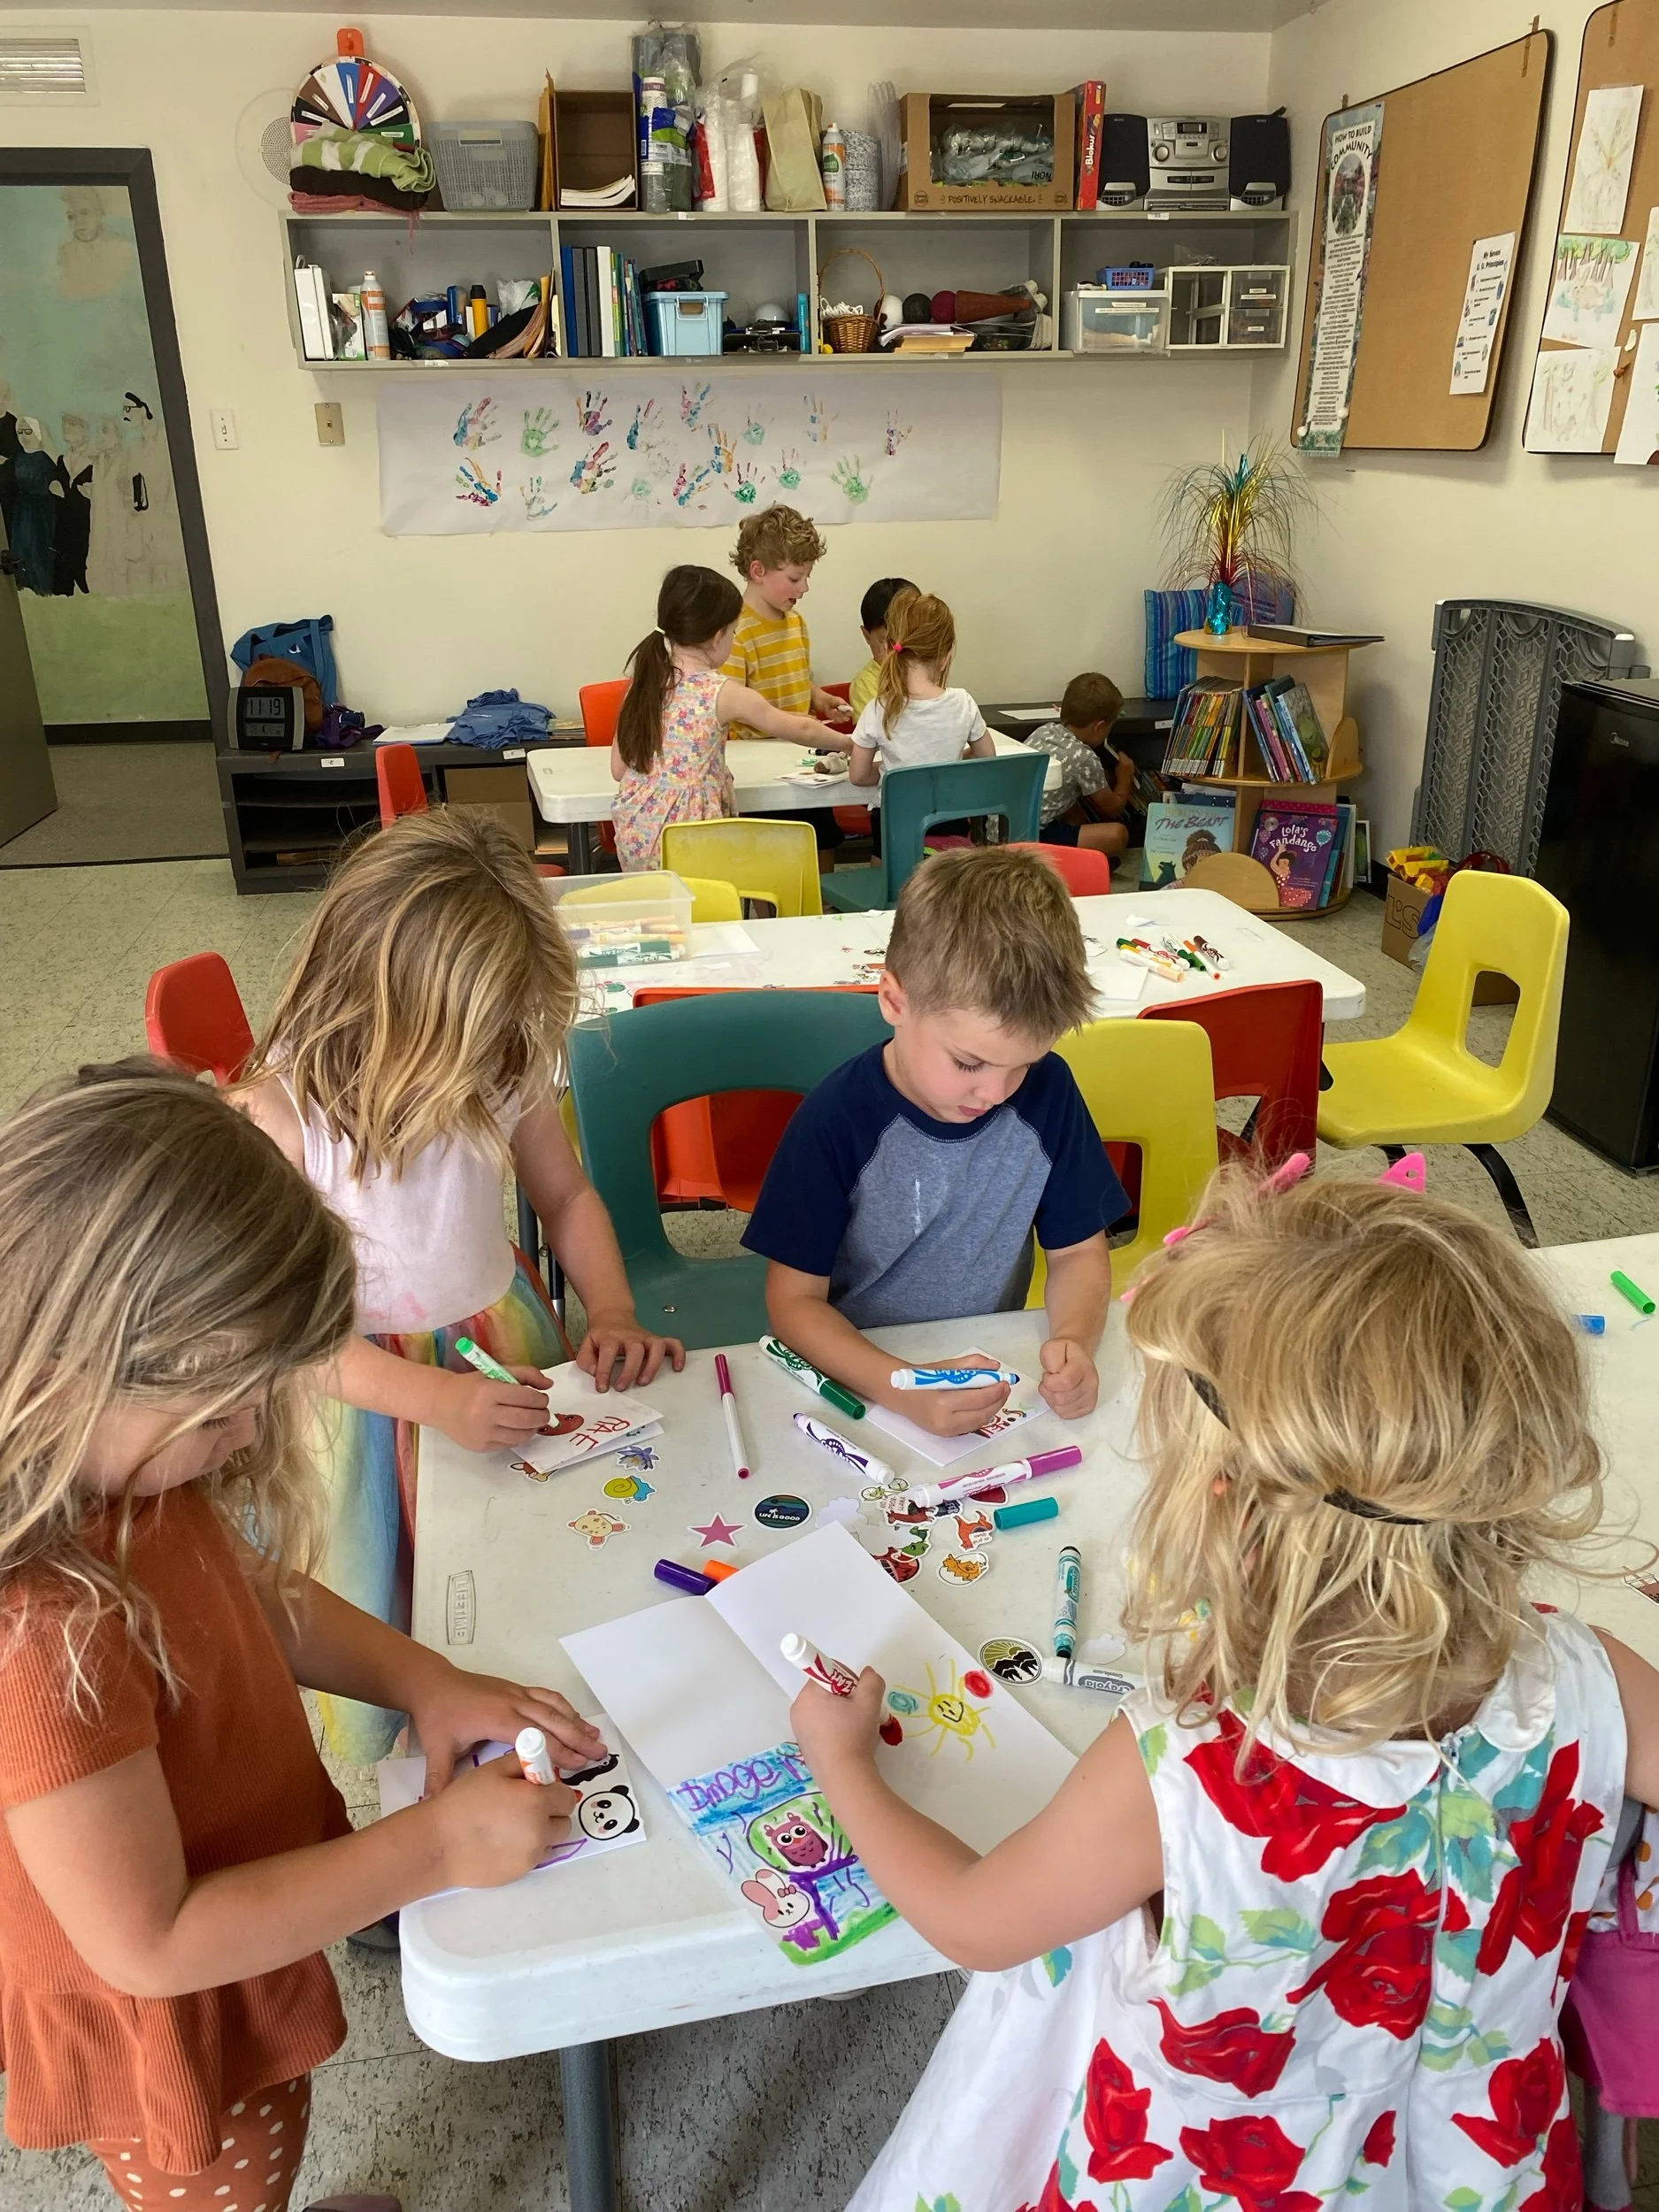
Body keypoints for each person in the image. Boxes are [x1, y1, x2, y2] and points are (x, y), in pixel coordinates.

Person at [790, 1163, 1659, 2212]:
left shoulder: (1190, 1765)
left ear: (1221, 1502)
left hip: (1221, 2180)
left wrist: (845, 1766)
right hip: (1481, 2159)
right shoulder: (1597, 1676)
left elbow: (976, 1922)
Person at [0, 1061, 595, 2212]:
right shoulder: (41, 1637)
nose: (245, 1434)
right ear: (72, 1380)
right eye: (221, 1409)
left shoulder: (124, 1478)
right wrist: (434, 1849)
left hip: (243, 1913)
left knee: (280, 2117)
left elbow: (254, 1599)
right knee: (234, 2165)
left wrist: (428, 1681)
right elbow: (153, 1942)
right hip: (170, 2000)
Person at [235, 810, 684, 1760]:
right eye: (473, 1046)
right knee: (386, 1589)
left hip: (497, 1343)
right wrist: (434, 1399)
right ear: (384, 1005)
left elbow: (566, 1197)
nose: (494, 1064)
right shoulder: (279, 1115)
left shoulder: (500, 1059)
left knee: (526, 1560)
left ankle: (520, 1704)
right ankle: (416, 1747)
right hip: (355, 1396)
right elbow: (283, 1337)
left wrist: (611, 1308)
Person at [742, 847, 1122, 1439]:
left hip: (988, 1356)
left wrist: (1074, 1338)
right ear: (894, 1001)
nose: (996, 1092)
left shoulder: (1048, 1092)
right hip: (861, 1373)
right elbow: (793, 1304)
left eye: (1024, 1064)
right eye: (968, 1062)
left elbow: (1077, 1253)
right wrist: (899, 1386)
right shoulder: (835, 1119)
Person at [611, 564, 841, 872]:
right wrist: (851, 743)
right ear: (719, 637)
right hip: (694, 839)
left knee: (661, 903)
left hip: (637, 836)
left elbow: (619, 769)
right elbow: (800, 728)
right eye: (734, 632)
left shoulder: (644, 683)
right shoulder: (721, 692)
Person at [722, 503, 845, 858]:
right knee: (773, 859)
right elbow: (733, 706)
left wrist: (818, 698)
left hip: (802, 760)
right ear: (758, 571)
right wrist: (792, 723)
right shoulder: (735, 632)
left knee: (820, 844)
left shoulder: (796, 623)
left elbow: (795, 678)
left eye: (807, 577)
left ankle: (819, 897)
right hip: (760, 769)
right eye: (794, 578)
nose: (804, 588)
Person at [847, 590, 995, 792]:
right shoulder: (963, 702)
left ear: (890, 648)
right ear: (945, 657)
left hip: (896, 812)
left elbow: (858, 776)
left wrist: (891, 775)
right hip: (951, 810)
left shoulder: (878, 708)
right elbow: (987, 758)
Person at [1023, 672, 1139, 858]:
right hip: (1032, 839)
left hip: (1003, 829)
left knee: (1074, 810)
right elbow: (1113, 808)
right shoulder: (1085, 758)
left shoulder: (1043, 731)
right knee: (1118, 835)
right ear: (1099, 727)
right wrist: (1125, 776)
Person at [849, 575, 919, 714]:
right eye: (887, 642)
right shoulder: (866, 684)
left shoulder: (925, 672)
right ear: (867, 636)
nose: (899, 651)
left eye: (909, 640)